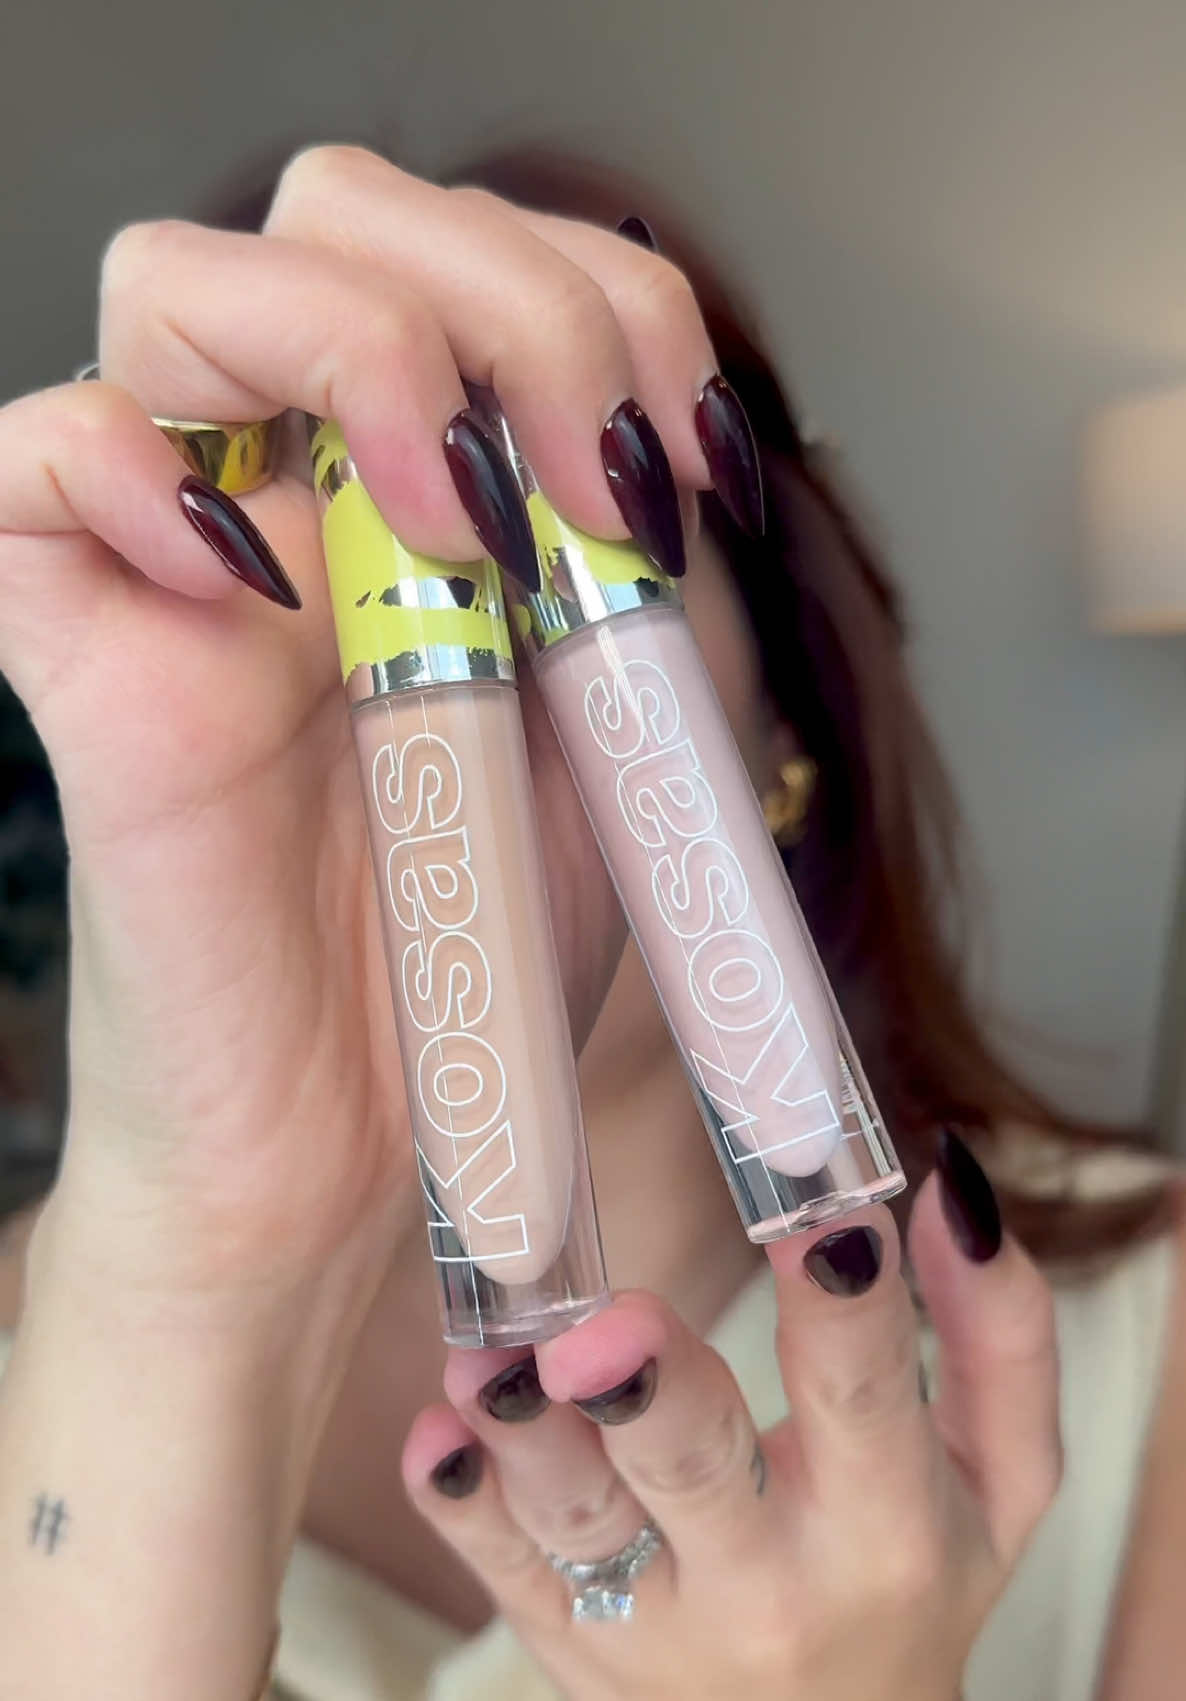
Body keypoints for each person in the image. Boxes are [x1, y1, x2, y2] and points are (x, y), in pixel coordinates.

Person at [0, 145, 1177, 1701]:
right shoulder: (65, 1329)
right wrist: (202, 1256)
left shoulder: (1152, 1323)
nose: (485, 653)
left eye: (536, 514)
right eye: (359, 540)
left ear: (787, 719)